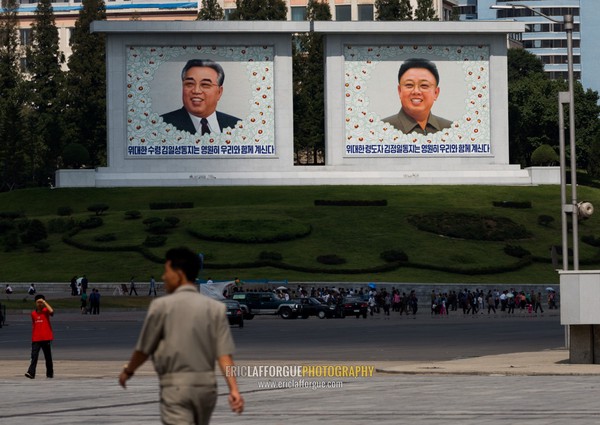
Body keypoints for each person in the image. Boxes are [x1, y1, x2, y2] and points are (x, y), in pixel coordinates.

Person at [119, 247, 244, 424]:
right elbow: (224, 355)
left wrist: (128, 371)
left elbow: (143, 350)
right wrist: (234, 390)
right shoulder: (215, 309)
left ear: (179, 274)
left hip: (176, 387)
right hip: (206, 389)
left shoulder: (161, 306)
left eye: (167, 271)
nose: (163, 277)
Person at [161, 59, 241, 135]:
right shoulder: (162, 125)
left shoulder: (237, 126)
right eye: (190, 84)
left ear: (219, 92)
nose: (196, 91)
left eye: (205, 84)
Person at [383, 58, 453, 135]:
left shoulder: (451, 129)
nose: (416, 91)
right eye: (409, 85)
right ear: (400, 91)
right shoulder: (382, 129)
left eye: (424, 85)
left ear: (436, 93)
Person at [25, 294, 54, 379]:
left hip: (46, 337)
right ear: (35, 303)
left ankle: (49, 373)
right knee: (34, 356)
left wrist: (44, 302)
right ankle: (31, 372)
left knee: (48, 357)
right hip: (36, 338)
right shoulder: (33, 314)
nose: (39, 304)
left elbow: (52, 311)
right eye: (38, 302)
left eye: (41, 302)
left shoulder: (46, 311)